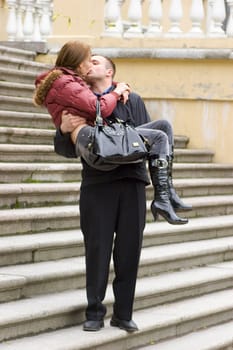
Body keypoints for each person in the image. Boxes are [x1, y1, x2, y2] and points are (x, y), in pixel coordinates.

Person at [34, 43, 191, 332]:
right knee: (97, 250)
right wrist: (64, 130)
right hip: (96, 185)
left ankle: (123, 313)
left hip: (131, 184)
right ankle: (94, 313)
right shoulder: (76, 98)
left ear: (109, 71)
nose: (88, 65)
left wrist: (119, 139)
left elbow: (149, 145)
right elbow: (64, 149)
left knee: (129, 252)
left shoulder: (132, 99)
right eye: (86, 61)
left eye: (95, 62)